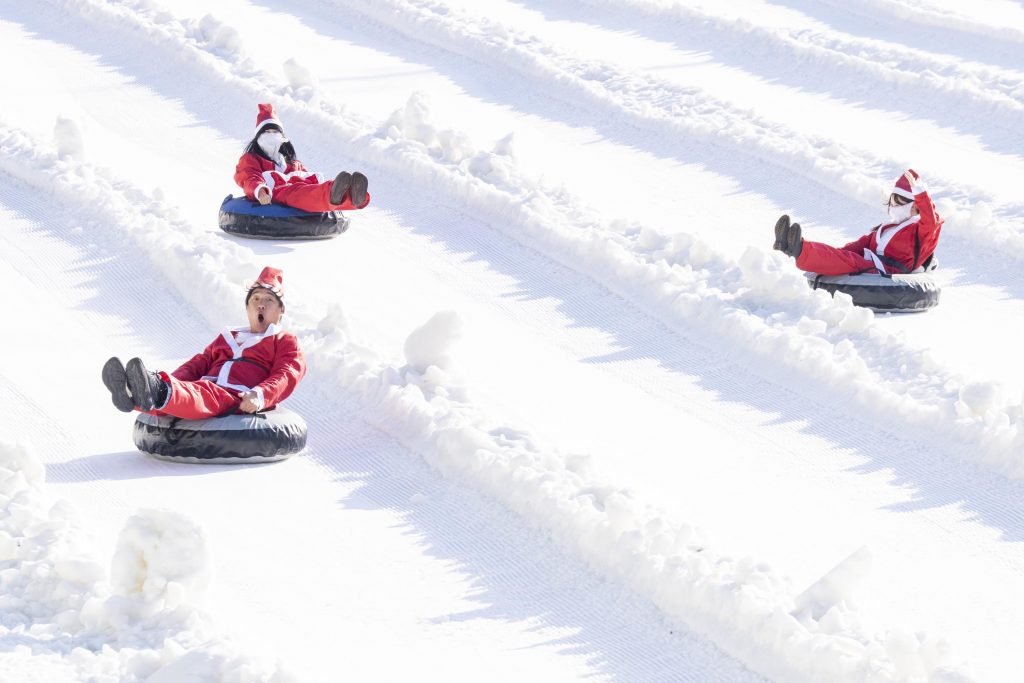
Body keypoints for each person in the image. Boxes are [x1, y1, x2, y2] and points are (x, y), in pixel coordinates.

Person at [101, 267, 306, 420]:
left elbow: (287, 374)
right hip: (204, 388)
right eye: (255, 299)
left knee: (205, 393)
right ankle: (135, 392)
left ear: (281, 310)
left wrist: (259, 395)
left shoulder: (284, 341)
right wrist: (172, 381)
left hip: (236, 397)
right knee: (191, 390)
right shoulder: (227, 338)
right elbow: (198, 364)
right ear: (247, 308)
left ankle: (156, 391)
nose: (261, 304)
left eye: (269, 300)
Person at [773, 169, 942, 276]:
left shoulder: (919, 230)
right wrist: (835, 253)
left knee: (851, 261)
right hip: (874, 262)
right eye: (892, 203)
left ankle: (799, 250)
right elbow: (862, 245)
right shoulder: (888, 228)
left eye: (900, 204)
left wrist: (921, 194)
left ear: (915, 207)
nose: (894, 207)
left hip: (888, 270)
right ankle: (789, 245)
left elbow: (931, 222)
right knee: (844, 255)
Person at [234, 103, 371, 213]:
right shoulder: (251, 159)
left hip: (298, 189)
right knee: (297, 193)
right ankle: (331, 194)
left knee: (310, 190)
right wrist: (261, 191)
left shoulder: (292, 163)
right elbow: (248, 177)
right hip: (276, 193)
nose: (271, 135)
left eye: (275, 132)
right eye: (267, 132)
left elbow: (309, 184)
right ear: (258, 137)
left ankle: (352, 195)